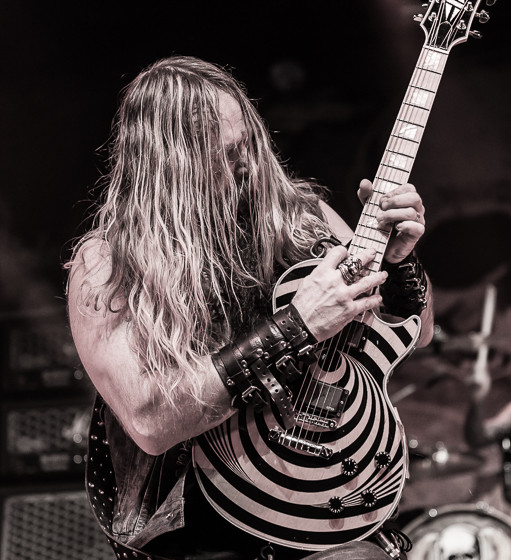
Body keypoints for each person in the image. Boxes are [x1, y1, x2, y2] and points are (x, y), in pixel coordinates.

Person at [66, 56, 434, 560]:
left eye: (249, 145)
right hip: (200, 537)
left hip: (336, 517)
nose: (248, 164)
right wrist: (297, 326)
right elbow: (151, 423)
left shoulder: (305, 217)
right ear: (171, 164)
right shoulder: (107, 263)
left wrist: (401, 262)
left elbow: (417, 333)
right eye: (227, 154)